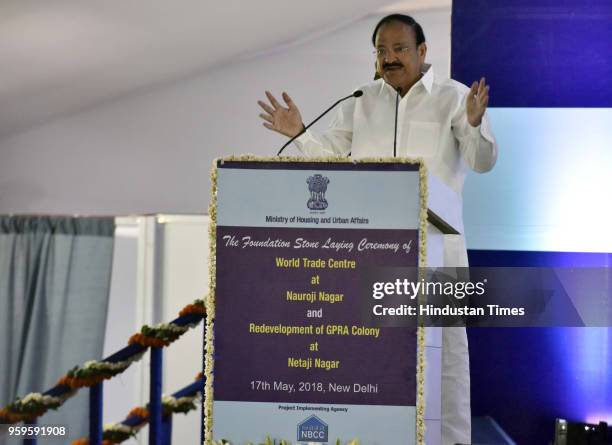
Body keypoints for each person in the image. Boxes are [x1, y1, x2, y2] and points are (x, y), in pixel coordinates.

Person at [258, 13, 497, 445]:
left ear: (423, 52)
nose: (389, 58)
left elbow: (482, 161)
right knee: (372, 362)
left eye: (399, 49)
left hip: (438, 260)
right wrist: (298, 133)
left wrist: (476, 124)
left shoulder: (454, 98)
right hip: (369, 257)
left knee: (446, 366)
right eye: (382, 51)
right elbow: (327, 157)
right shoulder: (360, 99)